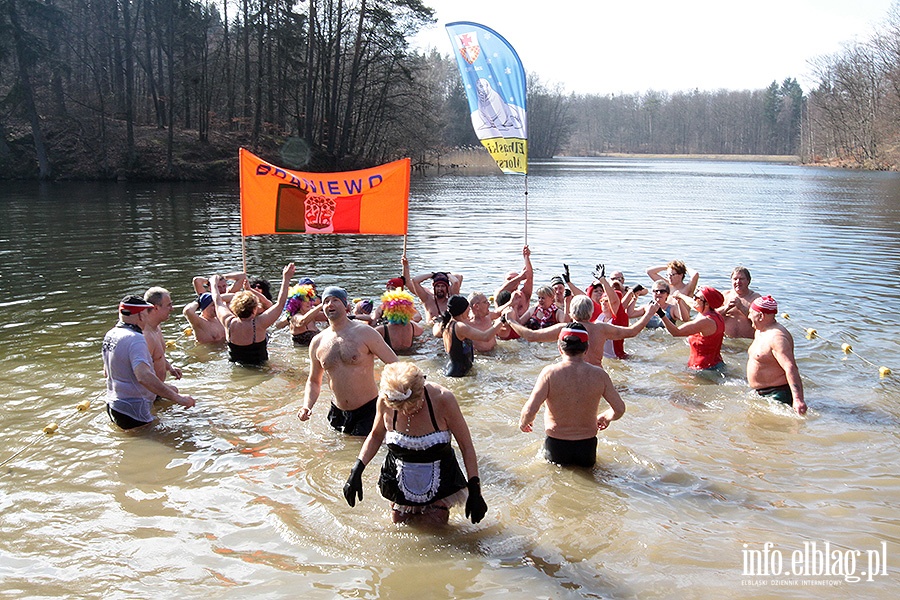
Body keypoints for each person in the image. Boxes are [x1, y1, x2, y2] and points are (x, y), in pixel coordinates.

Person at [342, 362, 487, 525]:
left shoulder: (443, 399)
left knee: (436, 525)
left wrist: (475, 489)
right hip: (399, 476)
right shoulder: (385, 399)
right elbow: (376, 436)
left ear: (420, 392)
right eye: (399, 408)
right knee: (400, 525)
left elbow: (466, 446)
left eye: (409, 407)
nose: (404, 412)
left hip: (440, 476)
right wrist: (357, 470)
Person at [519, 323, 626, 468]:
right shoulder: (600, 375)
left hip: (557, 444)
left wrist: (525, 422)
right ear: (586, 349)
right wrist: (606, 417)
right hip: (587, 445)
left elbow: (530, 410)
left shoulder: (550, 373)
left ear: (559, 348)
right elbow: (619, 409)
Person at [298, 286, 399, 435]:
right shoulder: (317, 342)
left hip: (368, 410)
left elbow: (395, 364)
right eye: (326, 301)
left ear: (346, 306)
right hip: (337, 413)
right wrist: (307, 406)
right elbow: (314, 380)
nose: (330, 304)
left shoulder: (365, 333)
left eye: (335, 300)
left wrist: (397, 398)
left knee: (363, 453)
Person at [102, 296, 195, 430]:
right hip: (134, 410)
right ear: (140, 315)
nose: (147, 317)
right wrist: (178, 398)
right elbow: (143, 376)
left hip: (113, 405)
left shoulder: (111, 334)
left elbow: (106, 372)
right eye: (146, 313)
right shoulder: (136, 338)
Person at [505, 295, 658, 367]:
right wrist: (649, 313)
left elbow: (530, 336)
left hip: (570, 374)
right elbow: (632, 331)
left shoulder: (564, 329)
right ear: (591, 313)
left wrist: (511, 320)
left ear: (571, 313)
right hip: (595, 375)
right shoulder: (601, 329)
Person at [211, 262, 295, 365]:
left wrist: (213, 284)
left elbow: (217, 301)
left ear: (233, 308)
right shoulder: (260, 324)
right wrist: (286, 278)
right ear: (255, 309)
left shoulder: (228, 322)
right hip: (261, 370)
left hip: (236, 370)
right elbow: (280, 303)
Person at [747, 296, 807, 415]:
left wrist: (798, 400)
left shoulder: (777, 338)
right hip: (761, 393)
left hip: (777, 396)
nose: (748, 317)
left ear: (760, 316)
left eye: (750, 313)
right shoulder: (760, 331)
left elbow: (790, 367)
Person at [658, 286, 727, 377]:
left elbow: (676, 332)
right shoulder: (715, 315)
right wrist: (680, 296)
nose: (693, 299)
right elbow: (692, 303)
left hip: (703, 369)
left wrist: (660, 313)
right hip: (716, 364)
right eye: (694, 296)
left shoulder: (704, 321)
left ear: (706, 304)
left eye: (697, 298)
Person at [433, 295, 503, 377]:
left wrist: (437, 322)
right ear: (462, 310)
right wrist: (502, 321)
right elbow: (485, 337)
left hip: (453, 369)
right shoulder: (460, 327)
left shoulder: (447, 324)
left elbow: (435, 332)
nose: (469, 309)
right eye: (468, 308)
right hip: (459, 374)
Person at [403, 255, 463, 323]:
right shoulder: (427, 299)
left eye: (443, 286)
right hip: (430, 331)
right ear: (433, 287)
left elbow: (456, 281)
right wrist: (432, 275)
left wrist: (447, 274)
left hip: (447, 331)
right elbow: (414, 281)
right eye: (437, 286)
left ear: (447, 287)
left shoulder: (452, 299)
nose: (440, 289)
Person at [143, 287, 182, 381]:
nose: (172, 309)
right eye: (169, 305)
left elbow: (157, 355)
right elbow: (141, 374)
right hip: (149, 392)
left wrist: (169, 368)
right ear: (156, 307)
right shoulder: (145, 336)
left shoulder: (157, 327)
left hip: (157, 390)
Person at [718, 266, 762, 339]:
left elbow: (760, 319)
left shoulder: (755, 298)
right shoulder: (725, 295)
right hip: (726, 339)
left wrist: (741, 307)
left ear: (748, 281)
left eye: (741, 279)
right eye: (735, 279)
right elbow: (712, 315)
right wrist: (727, 307)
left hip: (747, 341)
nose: (738, 282)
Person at [375, 288, 424, 353]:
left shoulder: (381, 330)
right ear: (408, 309)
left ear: (388, 310)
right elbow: (422, 332)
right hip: (410, 355)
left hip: (392, 358)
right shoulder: (413, 326)